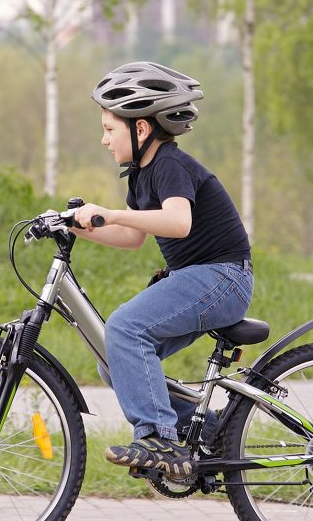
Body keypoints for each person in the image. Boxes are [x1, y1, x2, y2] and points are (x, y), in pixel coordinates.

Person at [70, 61, 253, 479]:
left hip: (222, 278)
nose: (103, 139)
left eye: (109, 129)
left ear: (141, 129)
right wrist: (82, 228)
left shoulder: (169, 164)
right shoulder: (141, 175)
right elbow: (132, 238)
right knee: (112, 356)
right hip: (203, 279)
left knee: (125, 329)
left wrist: (111, 212)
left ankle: (159, 439)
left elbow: (178, 222)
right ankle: (205, 429)